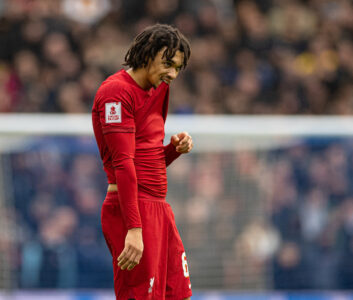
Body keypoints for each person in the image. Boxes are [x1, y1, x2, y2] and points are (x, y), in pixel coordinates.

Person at [92, 24, 193, 299]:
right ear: (148, 54)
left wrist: (173, 149)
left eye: (177, 68)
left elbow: (146, 159)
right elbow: (123, 164)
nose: (172, 74)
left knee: (178, 295)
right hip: (131, 210)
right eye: (168, 64)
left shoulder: (159, 87)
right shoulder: (115, 94)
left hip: (159, 208)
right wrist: (134, 229)